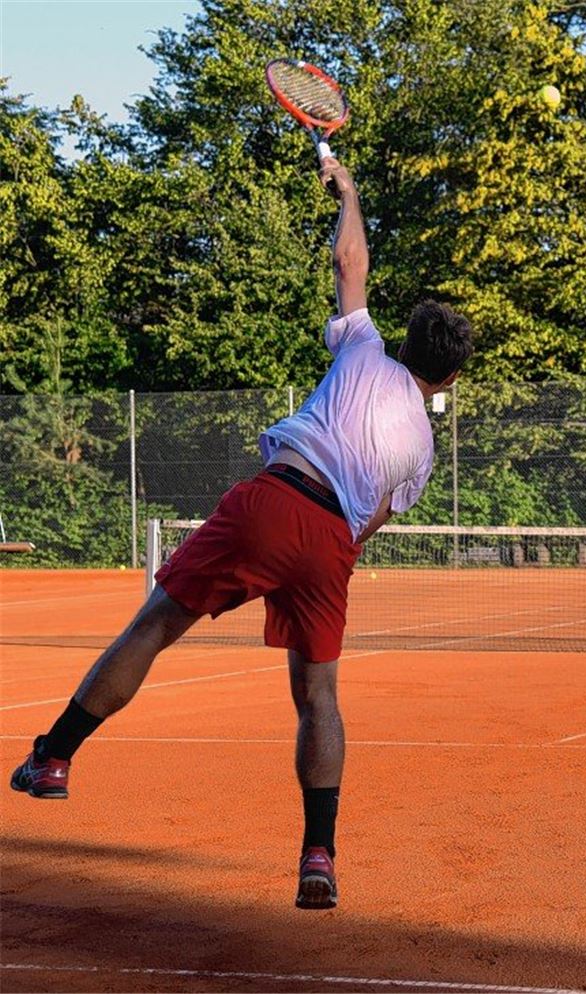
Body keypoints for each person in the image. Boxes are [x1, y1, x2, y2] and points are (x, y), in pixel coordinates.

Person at [9, 157, 473, 910]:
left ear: (408, 343)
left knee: (157, 625)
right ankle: (318, 855)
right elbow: (373, 521)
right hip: (332, 545)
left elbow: (349, 258)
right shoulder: (421, 445)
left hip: (274, 500)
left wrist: (347, 190)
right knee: (318, 696)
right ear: (449, 379)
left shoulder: (363, 347)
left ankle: (55, 758)